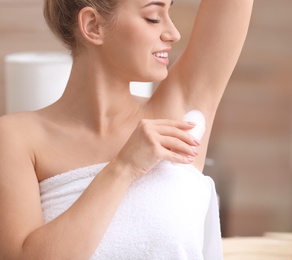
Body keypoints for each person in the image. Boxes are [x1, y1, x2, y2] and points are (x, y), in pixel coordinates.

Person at [0, 0, 253, 258]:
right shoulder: (16, 139)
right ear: (93, 25)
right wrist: (124, 167)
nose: (173, 33)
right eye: (153, 18)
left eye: (169, 14)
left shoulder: (181, 115)